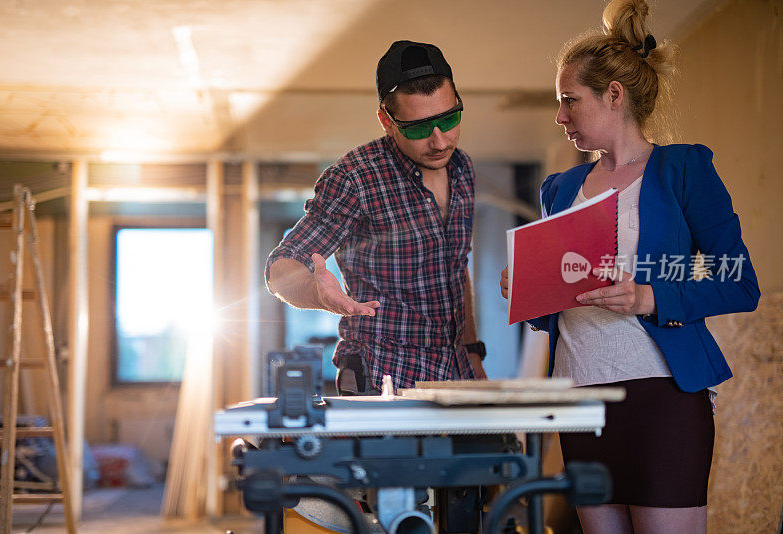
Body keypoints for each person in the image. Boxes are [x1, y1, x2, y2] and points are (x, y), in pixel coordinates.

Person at [499, 1, 759, 532]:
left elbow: (738, 281)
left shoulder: (684, 169)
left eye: (570, 100)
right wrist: (526, 286)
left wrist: (649, 298)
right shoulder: (560, 189)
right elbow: (555, 307)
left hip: (661, 395)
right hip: (579, 399)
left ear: (613, 96)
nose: (560, 116)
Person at [266, 40, 487, 395]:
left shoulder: (463, 169)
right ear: (387, 121)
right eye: (417, 128)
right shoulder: (354, 178)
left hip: (455, 373)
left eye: (449, 119)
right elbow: (281, 267)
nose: (439, 141)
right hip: (381, 374)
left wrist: (472, 352)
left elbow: (456, 268)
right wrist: (318, 293)